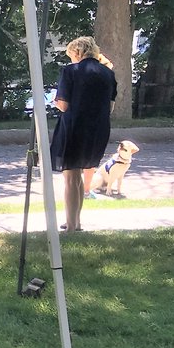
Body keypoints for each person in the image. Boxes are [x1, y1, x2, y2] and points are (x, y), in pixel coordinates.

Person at [50, 36, 117, 232]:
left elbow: (63, 104)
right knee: (79, 175)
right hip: (98, 129)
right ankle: (75, 222)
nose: (71, 59)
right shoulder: (108, 74)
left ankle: (72, 226)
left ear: (77, 52)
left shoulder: (71, 71)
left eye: (71, 55)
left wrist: (57, 103)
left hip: (74, 126)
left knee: (71, 177)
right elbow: (110, 107)